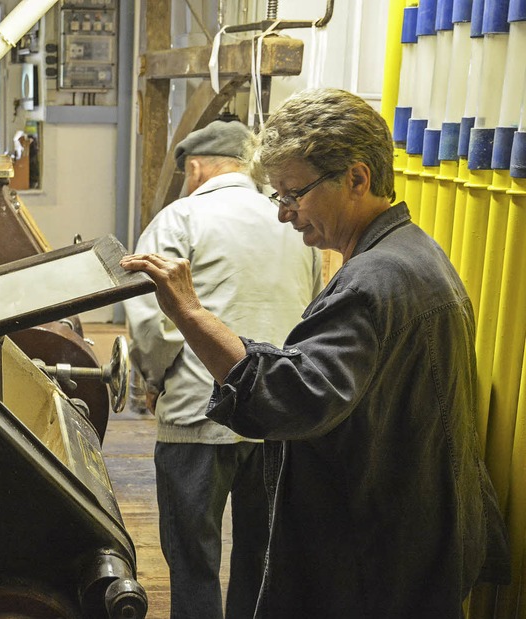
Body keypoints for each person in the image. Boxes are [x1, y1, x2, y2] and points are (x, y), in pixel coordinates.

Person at [121, 89, 511, 619]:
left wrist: (190, 313)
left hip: (380, 563)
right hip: (415, 541)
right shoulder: (412, 252)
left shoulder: (375, 281)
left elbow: (292, 399)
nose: (283, 215)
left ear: (356, 178)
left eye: (293, 195)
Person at [123, 119, 323, 619]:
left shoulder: (178, 220)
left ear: (195, 167)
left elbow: (156, 322)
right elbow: (311, 309)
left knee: (193, 558)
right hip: (275, 415)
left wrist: (152, 381)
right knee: (259, 554)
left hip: (197, 414)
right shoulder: (293, 222)